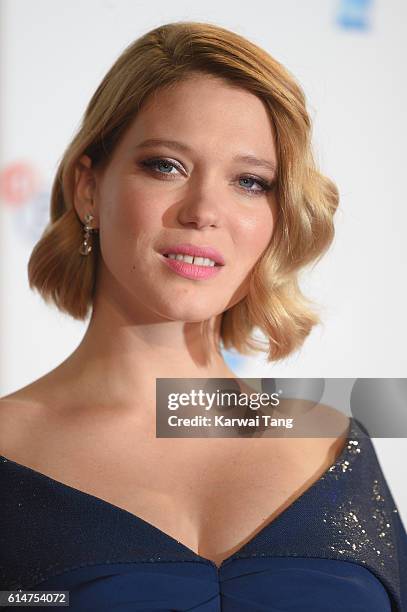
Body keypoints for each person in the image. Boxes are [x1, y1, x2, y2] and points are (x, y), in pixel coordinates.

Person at [0, 20, 406, 611]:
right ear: (89, 188)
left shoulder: (335, 446)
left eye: (250, 181)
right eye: (166, 165)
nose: (205, 211)